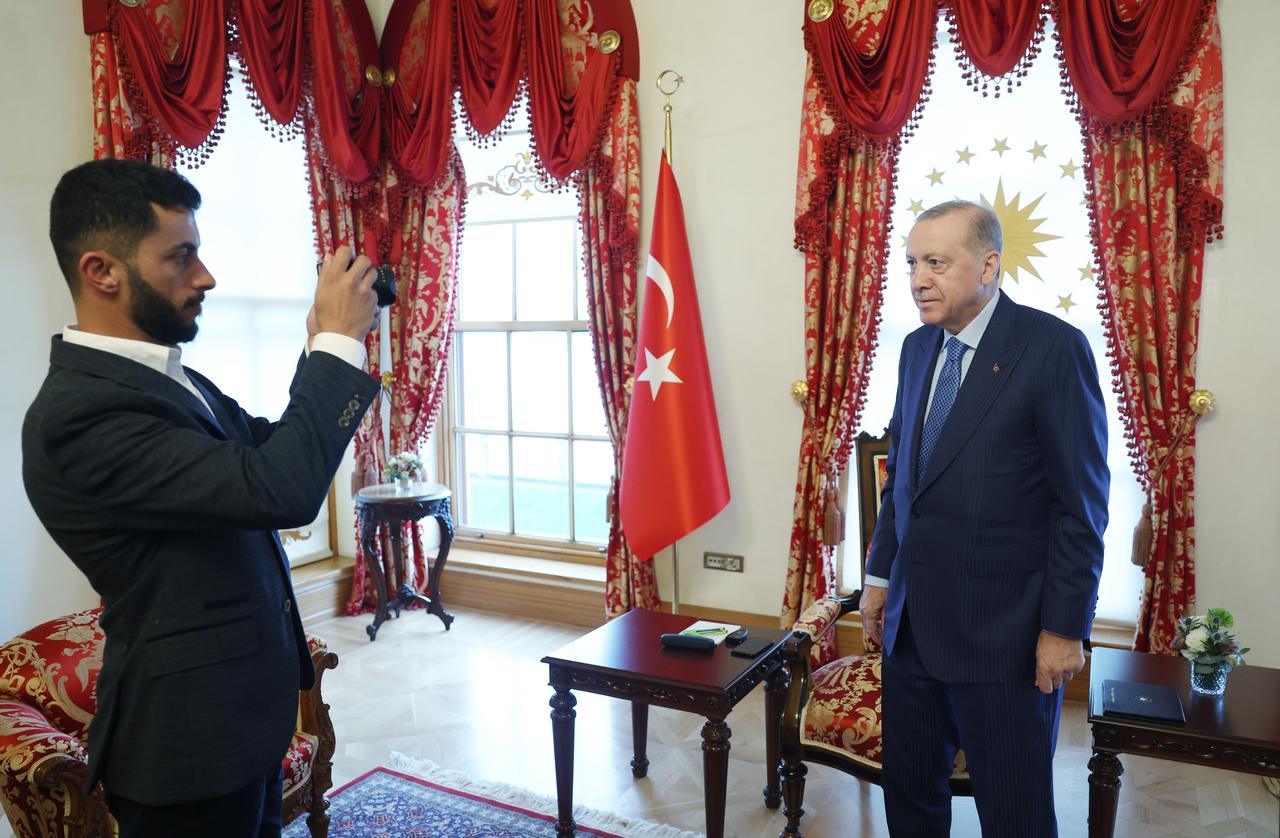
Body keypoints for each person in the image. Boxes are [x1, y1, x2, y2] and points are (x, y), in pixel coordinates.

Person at [22, 158, 381, 837]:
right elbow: (283, 488)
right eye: (181, 257)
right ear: (102, 271)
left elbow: (270, 453)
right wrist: (339, 341)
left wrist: (317, 345)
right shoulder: (81, 416)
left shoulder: (164, 379)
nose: (206, 276)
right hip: (184, 748)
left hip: (239, 723)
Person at [860, 200, 1109, 836]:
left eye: (936, 263)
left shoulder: (1053, 349)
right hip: (911, 631)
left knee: (1015, 814)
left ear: (989, 266)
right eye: (912, 262)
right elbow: (904, 485)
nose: (917, 279)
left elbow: (1079, 506)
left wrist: (1064, 627)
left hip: (1005, 639)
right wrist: (881, 576)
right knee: (911, 802)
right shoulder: (917, 349)